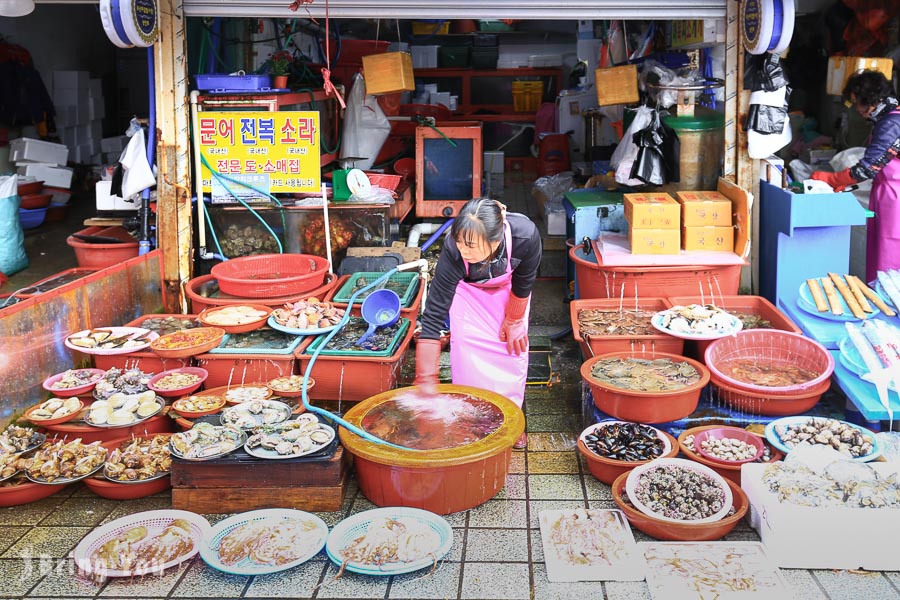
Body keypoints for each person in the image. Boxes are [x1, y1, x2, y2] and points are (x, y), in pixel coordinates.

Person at [414, 198, 542, 449]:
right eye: (460, 241)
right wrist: (426, 375)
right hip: (469, 298)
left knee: (513, 359)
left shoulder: (525, 237)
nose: (464, 250)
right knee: (468, 361)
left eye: (471, 245)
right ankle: (472, 425)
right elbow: (434, 313)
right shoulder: (453, 251)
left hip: (509, 295)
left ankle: (514, 422)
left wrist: (514, 319)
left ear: (495, 241)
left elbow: (524, 280)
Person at [812, 70, 900, 282]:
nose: (857, 110)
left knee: (890, 255)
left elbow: (867, 168)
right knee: (883, 250)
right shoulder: (888, 118)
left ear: (872, 100)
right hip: (887, 193)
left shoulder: (891, 123)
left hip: (895, 198)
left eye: (857, 103)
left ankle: (889, 306)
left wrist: (832, 179)